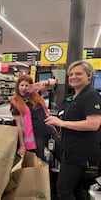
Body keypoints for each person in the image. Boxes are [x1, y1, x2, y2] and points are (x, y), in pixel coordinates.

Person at [45, 60, 101, 200]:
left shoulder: (91, 96)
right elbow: (66, 117)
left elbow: (93, 124)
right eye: (71, 74)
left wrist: (62, 123)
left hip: (80, 153)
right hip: (69, 151)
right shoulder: (71, 97)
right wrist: (54, 120)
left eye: (78, 74)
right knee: (76, 189)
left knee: (63, 190)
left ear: (89, 76)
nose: (73, 77)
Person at [10, 74, 58, 160]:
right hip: (35, 136)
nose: (24, 88)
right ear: (17, 87)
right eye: (21, 85)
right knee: (39, 161)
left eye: (26, 85)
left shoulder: (36, 95)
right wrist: (22, 145)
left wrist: (41, 83)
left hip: (49, 130)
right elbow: (19, 126)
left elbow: (54, 82)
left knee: (62, 153)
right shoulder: (15, 102)